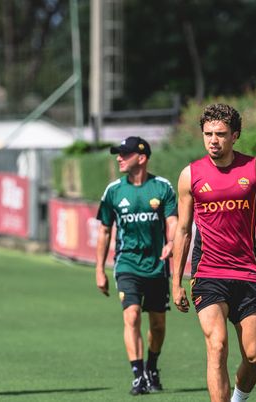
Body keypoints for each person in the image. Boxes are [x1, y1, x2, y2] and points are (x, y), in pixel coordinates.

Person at [170, 103, 256, 402]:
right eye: (208, 133)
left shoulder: (255, 169)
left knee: (255, 356)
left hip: (246, 272)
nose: (213, 140)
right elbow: (182, 230)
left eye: (220, 134)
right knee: (217, 345)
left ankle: (238, 398)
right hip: (208, 273)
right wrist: (176, 282)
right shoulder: (190, 175)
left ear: (235, 135)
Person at [95, 136, 178, 396]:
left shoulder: (162, 188)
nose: (119, 157)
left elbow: (173, 222)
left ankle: (152, 367)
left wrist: (172, 242)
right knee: (131, 316)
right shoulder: (113, 191)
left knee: (158, 325)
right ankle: (137, 375)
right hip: (126, 264)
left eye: (124, 154)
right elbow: (105, 231)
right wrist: (99, 270)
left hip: (157, 266)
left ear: (141, 158)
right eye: (118, 154)